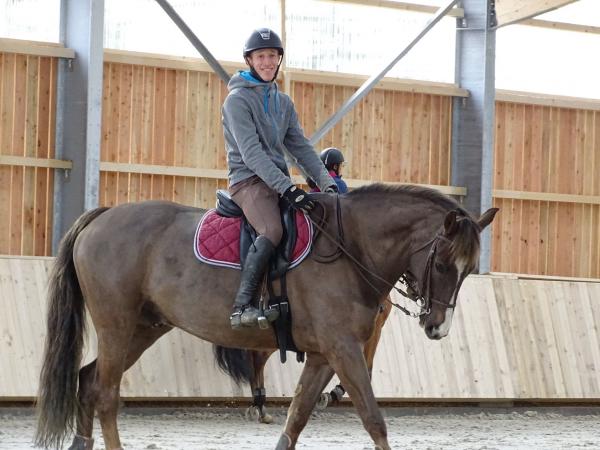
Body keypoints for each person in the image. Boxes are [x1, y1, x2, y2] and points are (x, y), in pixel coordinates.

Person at [222, 27, 338, 329]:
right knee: (272, 230)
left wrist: (327, 184)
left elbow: (300, 147)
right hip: (248, 181)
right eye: (260, 56)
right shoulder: (237, 101)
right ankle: (242, 305)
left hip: (275, 181)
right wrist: (287, 188)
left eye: (272, 56)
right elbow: (252, 154)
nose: (267, 62)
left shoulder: (283, 102)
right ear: (250, 60)